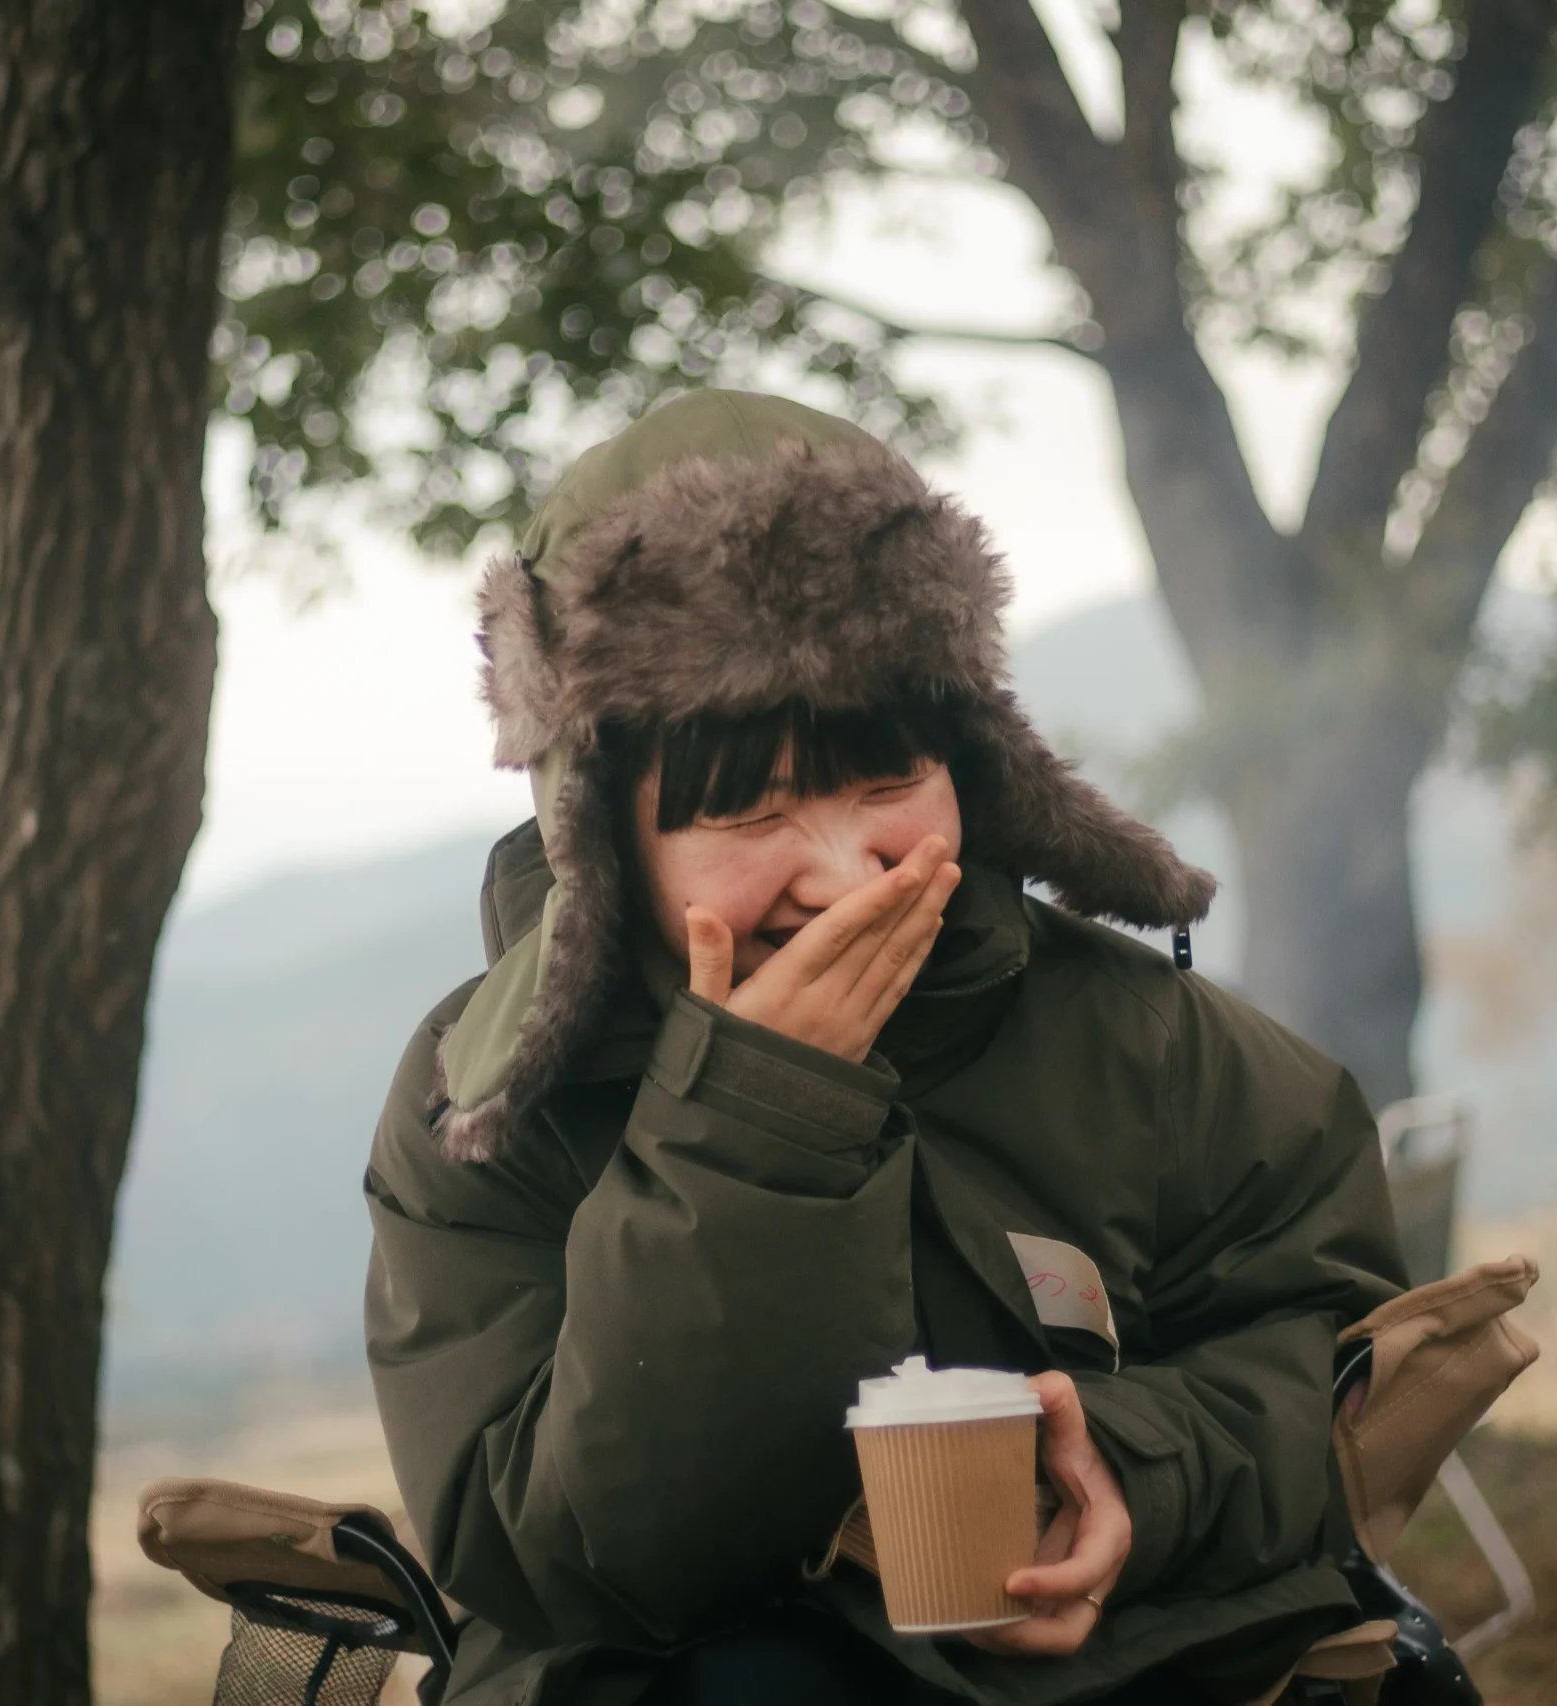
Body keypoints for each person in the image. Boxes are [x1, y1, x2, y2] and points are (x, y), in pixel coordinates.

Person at [364, 391, 1408, 1706]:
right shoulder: (485, 1101)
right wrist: (750, 1125)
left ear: (972, 762)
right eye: (749, 809)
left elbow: (1329, 1342)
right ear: (603, 832)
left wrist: (1133, 1474)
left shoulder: (1134, 1031)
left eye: (886, 785)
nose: (845, 874)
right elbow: (564, 1556)